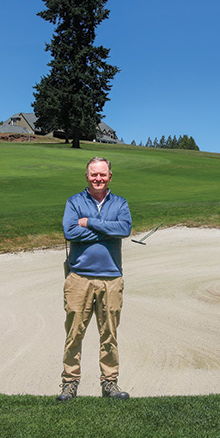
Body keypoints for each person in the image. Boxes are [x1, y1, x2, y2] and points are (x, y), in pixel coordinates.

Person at [57, 157, 132, 401]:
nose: (97, 178)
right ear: (86, 176)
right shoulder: (75, 201)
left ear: (110, 176)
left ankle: (109, 383)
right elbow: (70, 232)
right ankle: (69, 384)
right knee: (74, 333)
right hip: (79, 277)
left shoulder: (120, 203)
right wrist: (106, 231)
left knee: (109, 333)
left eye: (102, 174)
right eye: (93, 174)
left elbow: (124, 230)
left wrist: (90, 222)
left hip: (111, 278)